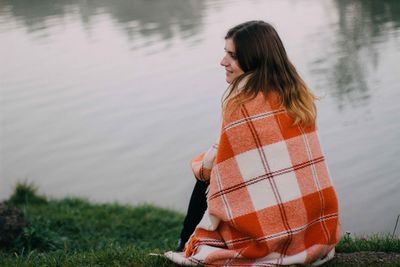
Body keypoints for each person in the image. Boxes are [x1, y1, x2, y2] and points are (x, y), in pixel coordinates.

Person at [166, 20, 340, 266]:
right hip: (311, 225)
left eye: (232, 56)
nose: (222, 62)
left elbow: (219, 168)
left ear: (255, 59)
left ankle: (185, 244)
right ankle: (184, 243)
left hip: (269, 230)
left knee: (206, 174)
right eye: (225, 53)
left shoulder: (243, 102)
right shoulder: (295, 94)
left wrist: (200, 167)